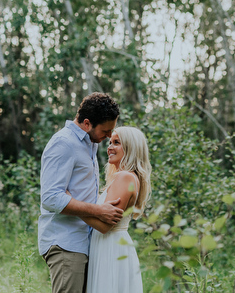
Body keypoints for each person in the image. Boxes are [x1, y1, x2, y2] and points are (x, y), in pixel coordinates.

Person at [38, 92, 123, 293]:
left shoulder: (88, 145)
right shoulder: (64, 143)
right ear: (87, 123)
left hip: (83, 243)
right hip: (66, 243)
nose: (109, 136)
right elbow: (51, 198)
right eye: (106, 130)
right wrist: (98, 211)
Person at [81, 126, 152, 293]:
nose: (110, 147)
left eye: (117, 143)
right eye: (110, 142)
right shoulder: (125, 177)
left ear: (130, 147)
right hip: (109, 245)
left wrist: (72, 206)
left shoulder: (125, 177)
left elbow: (105, 226)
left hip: (111, 247)